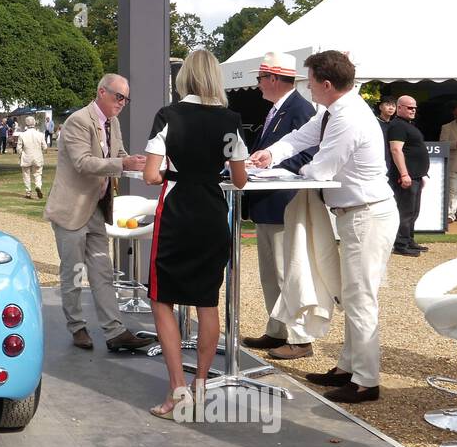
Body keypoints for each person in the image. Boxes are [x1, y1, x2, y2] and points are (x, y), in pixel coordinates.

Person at [249, 50, 399, 404]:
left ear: (326, 84)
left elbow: (321, 168)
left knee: (361, 297)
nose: (308, 87)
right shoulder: (335, 110)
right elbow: (300, 137)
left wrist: (283, 171)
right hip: (355, 213)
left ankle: (366, 380)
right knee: (352, 293)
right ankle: (347, 366)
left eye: (311, 81)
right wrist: (271, 154)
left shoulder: (348, 118)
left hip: (367, 214)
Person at [142, 51, 248, 418]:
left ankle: (177, 389)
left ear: (183, 77)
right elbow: (239, 179)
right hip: (212, 211)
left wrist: (173, 174)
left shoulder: (167, 116)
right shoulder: (231, 119)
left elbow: (151, 175)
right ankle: (202, 386)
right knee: (207, 302)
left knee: (161, 299)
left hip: (176, 214)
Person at [44, 73, 152, 353]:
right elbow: (83, 163)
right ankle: (77, 327)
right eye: (119, 97)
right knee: (74, 273)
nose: (123, 103)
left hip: (96, 209)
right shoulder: (78, 121)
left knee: (103, 272)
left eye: (126, 99)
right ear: (101, 92)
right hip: (71, 211)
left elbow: (119, 155)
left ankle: (115, 332)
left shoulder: (112, 123)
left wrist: (137, 163)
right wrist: (122, 162)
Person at [242, 52, 319, 359]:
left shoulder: (299, 109)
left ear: (273, 78)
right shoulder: (279, 110)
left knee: (288, 270)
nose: (258, 85)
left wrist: (268, 167)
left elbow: (307, 155)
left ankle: (300, 337)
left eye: (260, 79)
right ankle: (277, 330)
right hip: (267, 201)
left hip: (283, 200)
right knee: (270, 272)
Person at [387, 95, 430, 256]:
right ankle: (401, 244)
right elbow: (396, 150)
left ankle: (409, 240)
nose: (413, 110)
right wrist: (404, 174)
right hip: (406, 177)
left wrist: (419, 175)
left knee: (413, 211)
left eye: (414, 108)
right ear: (399, 108)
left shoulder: (407, 125)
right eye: (409, 107)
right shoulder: (397, 125)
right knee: (405, 212)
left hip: (415, 176)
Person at [17, 115, 46, 199]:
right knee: (37, 174)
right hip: (37, 157)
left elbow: (19, 148)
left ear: (26, 123)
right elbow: (45, 147)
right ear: (34, 123)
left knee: (26, 175)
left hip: (26, 157)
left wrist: (21, 155)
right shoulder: (40, 135)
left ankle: (28, 192)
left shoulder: (22, 135)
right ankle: (38, 186)